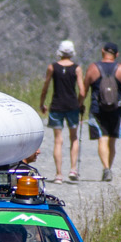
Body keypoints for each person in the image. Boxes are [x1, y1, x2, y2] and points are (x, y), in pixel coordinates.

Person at [81, 41, 121, 183]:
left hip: (97, 109)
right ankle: (109, 168)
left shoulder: (93, 68)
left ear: (102, 51)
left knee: (102, 139)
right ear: (116, 55)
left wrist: (80, 105)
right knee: (112, 141)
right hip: (116, 110)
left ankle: (106, 168)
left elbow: (84, 90)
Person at [39, 40, 84, 182]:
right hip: (72, 106)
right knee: (74, 137)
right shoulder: (77, 68)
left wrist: (42, 103)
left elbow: (46, 87)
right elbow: (82, 91)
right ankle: (73, 169)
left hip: (56, 105)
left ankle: (58, 175)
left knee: (58, 140)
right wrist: (80, 104)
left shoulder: (52, 67)